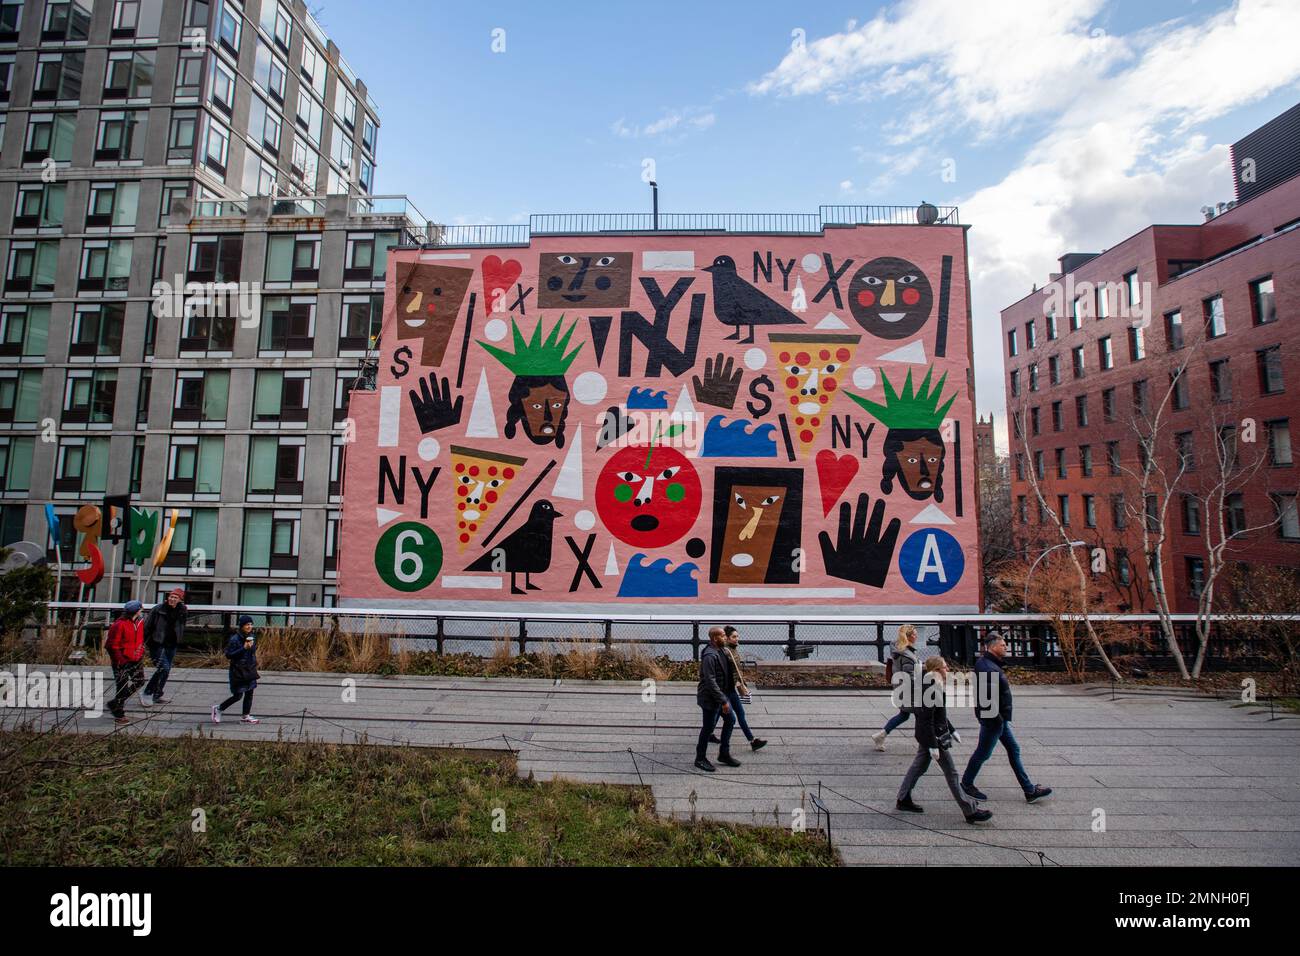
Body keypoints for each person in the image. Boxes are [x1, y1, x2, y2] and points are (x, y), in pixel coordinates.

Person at [896, 656, 992, 824]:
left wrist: (952, 730)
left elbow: (938, 715)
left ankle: (903, 798)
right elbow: (927, 719)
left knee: (918, 768)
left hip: (930, 735)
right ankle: (969, 810)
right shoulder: (931, 688)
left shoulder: (932, 685)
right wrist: (933, 744)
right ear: (936, 670)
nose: (947, 670)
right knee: (952, 773)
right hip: (934, 737)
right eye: (945, 667)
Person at [961, 633, 1052, 804]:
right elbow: (987, 697)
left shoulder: (989, 664)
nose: (1006, 647)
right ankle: (966, 784)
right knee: (983, 753)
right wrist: (997, 719)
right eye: (1003, 645)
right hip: (994, 720)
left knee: (1013, 750)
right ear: (993, 646)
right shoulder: (988, 667)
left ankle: (1029, 790)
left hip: (996, 719)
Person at [710, 625, 767, 751]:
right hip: (724, 690)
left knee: (738, 714)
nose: (737, 639)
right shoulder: (725, 651)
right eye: (733, 637)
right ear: (727, 638)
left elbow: (736, 670)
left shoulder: (733, 650)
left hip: (731, 689)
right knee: (723, 715)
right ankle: (712, 739)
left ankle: (752, 741)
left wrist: (741, 682)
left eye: (737, 636)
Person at [695, 626, 740, 772]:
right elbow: (710, 681)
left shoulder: (720, 650)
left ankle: (724, 753)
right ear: (715, 638)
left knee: (730, 720)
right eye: (722, 636)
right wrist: (724, 701)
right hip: (711, 699)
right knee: (708, 728)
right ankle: (700, 758)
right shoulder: (710, 655)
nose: (725, 637)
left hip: (720, 696)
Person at [872, 624, 919, 751]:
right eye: (914, 634)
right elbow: (909, 676)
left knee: (904, 715)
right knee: (922, 715)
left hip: (901, 688)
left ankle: (881, 735)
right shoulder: (907, 655)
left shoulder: (898, 650)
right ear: (909, 637)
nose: (917, 636)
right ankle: (926, 742)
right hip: (910, 691)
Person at [104, 600, 147, 724]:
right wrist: (120, 660)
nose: (141, 611)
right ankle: (119, 713)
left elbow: (140, 638)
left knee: (139, 681)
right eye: (140, 609)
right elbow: (111, 645)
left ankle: (115, 703)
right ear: (136, 611)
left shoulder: (140, 622)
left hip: (136, 658)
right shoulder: (119, 624)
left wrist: (141, 650)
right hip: (121, 660)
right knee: (122, 686)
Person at [142, 587, 187, 706]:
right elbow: (147, 626)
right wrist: (144, 642)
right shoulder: (158, 609)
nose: (172, 599)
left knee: (165, 671)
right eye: (171, 596)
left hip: (172, 644)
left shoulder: (182, 610)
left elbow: (181, 626)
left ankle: (157, 694)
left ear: (180, 600)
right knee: (163, 668)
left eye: (175, 597)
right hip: (157, 643)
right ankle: (147, 693)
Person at [212, 615, 261, 724]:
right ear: (242, 626)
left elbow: (252, 652)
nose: (249, 626)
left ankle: (246, 715)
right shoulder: (234, 639)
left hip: (250, 668)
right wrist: (243, 648)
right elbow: (229, 655)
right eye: (247, 624)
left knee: (250, 692)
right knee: (238, 695)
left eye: (251, 624)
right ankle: (219, 708)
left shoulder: (252, 636)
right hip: (238, 670)